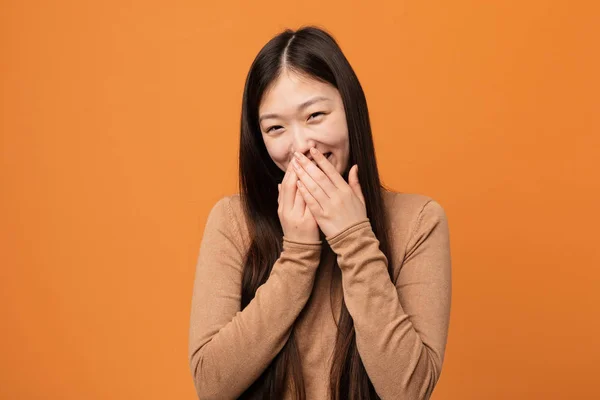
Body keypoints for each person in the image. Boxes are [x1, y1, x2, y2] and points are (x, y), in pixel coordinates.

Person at [187, 26, 452, 400]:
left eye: (314, 115)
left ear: (350, 108)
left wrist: (355, 238)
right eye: (275, 127)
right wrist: (297, 256)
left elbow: (407, 391)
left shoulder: (419, 221)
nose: (300, 146)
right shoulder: (233, 221)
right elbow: (211, 385)